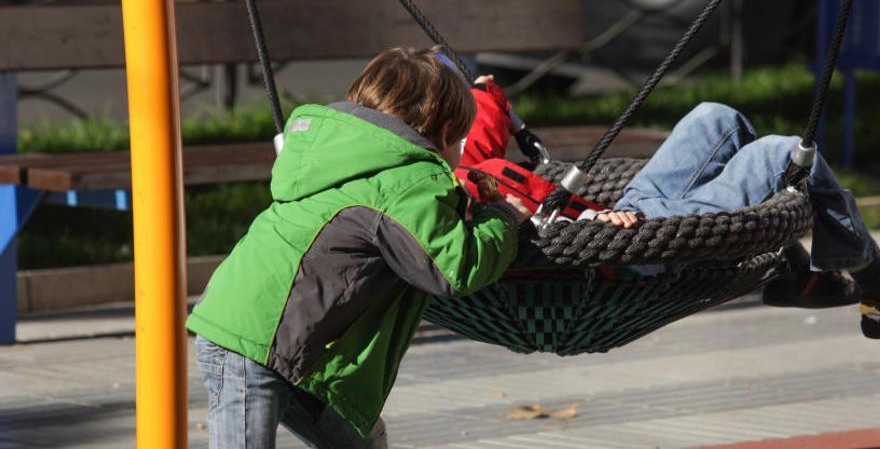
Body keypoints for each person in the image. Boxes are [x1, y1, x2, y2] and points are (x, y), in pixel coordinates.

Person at [186, 47, 532, 449]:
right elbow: (455, 267)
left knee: (358, 439)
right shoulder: (407, 179)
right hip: (252, 342)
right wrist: (504, 219)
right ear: (444, 132)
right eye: (461, 141)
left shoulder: (339, 153)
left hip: (281, 341)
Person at [455, 74, 879, 339]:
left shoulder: (449, 165)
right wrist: (589, 224)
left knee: (715, 117)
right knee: (785, 153)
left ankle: (795, 271)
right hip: (629, 253)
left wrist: (484, 93)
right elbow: (518, 234)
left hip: (628, 214)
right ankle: (870, 276)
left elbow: (475, 148)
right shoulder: (443, 196)